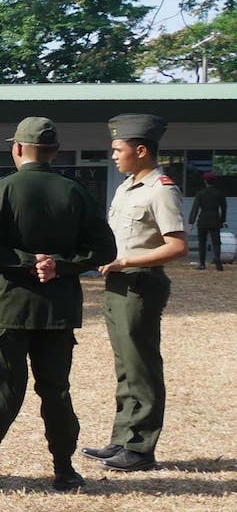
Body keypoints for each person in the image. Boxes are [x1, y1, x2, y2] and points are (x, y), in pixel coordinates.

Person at [0, 117, 116, 492]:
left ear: (17, 149)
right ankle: (64, 471)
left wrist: (22, 259)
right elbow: (105, 250)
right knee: (56, 390)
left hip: (8, 308)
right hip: (58, 310)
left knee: (5, 390)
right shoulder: (76, 192)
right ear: (53, 152)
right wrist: (59, 265)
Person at [82, 113, 188, 472]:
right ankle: (122, 438)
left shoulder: (162, 190)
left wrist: (126, 261)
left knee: (141, 364)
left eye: (117, 149)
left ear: (140, 150)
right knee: (125, 365)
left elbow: (176, 246)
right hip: (118, 283)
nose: (113, 155)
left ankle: (141, 448)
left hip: (141, 282)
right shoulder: (126, 187)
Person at [187, 172, 226, 272]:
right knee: (216, 242)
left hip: (203, 220)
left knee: (202, 243)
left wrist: (191, 222)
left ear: (205, 181)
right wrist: (222, 221)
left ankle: (202, 264)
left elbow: (195, 209)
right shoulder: (219, 193)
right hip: (215, 220)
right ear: (214, 181)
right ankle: (217, 259)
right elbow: (223, 208)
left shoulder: (200, 194)